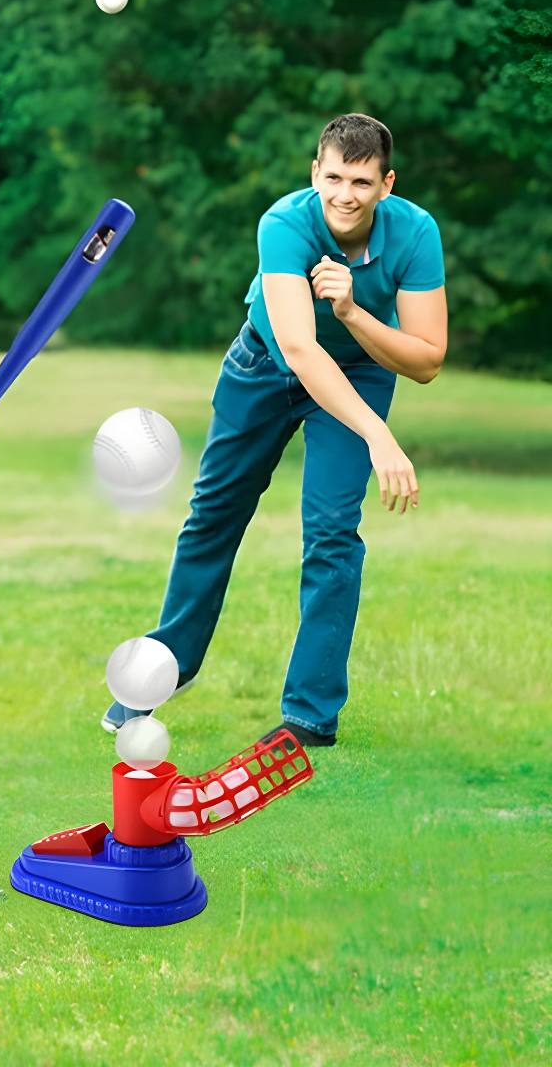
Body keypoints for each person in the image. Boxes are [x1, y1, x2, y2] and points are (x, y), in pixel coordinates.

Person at [102, 114, 447, 747]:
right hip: (266, 365)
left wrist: (352, 310)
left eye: (363, 182)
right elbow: (298, 346)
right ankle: (166, 669)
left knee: (332, 532)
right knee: (214, 515)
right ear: (316, 172)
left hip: (359, 375)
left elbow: (426, 358)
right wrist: (381, 438)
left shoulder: (415, 233)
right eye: (335, 177)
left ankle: (310, 716)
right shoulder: (285, 223)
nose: (346, 195)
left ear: (386, 185)